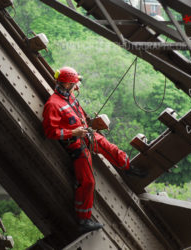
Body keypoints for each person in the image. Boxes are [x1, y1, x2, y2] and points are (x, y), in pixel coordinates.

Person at [42, 66, 147, 234]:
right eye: (75, 83)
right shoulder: (53, 104)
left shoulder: (70, 97)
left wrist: (86, 123)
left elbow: (78, 114)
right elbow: (50, 131)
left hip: (85, 134)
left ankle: (128, 167)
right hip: (75, 144)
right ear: (67, 83)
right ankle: (84, 220)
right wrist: (73, 132)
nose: (77, 86)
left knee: (109, 147)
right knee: (88, 182)